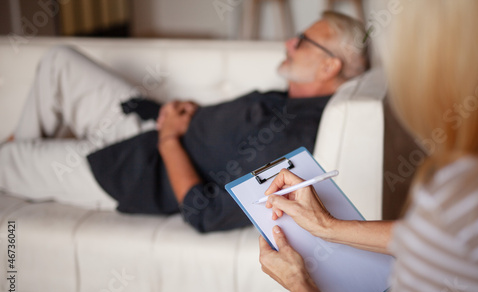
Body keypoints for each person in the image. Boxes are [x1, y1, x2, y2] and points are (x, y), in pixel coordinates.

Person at [0, 12, 368, 233]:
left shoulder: (293, 136)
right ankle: (25, 158)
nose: (289, 41)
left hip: (136, 168)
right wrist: (191, 115)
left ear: (329, 65)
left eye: (302, 41)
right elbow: (225, 136)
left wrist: (169, 141)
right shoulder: (289, 99)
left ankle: (21, 160)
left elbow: (204, 214)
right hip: (150, 125)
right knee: (58, 61)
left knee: (5, 160)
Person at [259, 1, 478, 292]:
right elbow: (442, 242)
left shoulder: (465, 200)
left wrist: (300, 283)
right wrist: (327, 226)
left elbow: (454, 237)